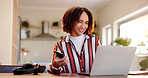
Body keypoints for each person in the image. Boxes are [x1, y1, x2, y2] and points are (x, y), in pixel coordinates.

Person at [49, 6, 101, 74]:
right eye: (80, 21)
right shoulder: (61, 45)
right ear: (70, 21)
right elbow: (55, 72)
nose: (83, 26)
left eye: (86, 23)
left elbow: (102, 63)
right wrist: (55, 66)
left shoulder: (95, 40)